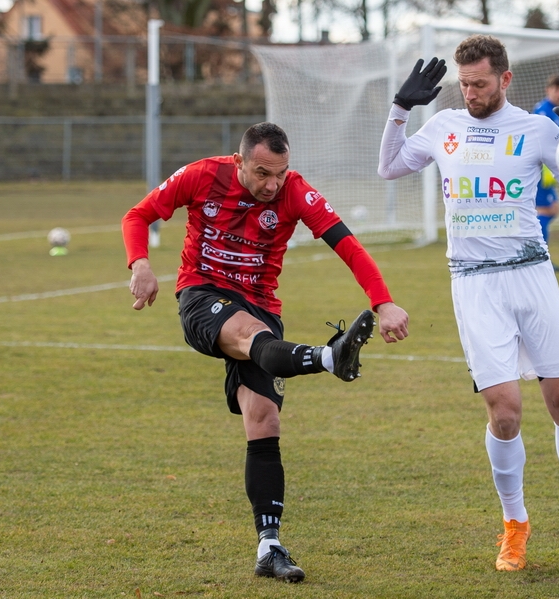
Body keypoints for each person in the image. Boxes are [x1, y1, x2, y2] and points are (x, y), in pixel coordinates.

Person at [377, 36, 559, 572]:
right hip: (474, 285)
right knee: (507, 412)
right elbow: (390, 168)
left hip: (533, 277)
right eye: (464, 84)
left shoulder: (538, 129)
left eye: (481, 84)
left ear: (505, 80)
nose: (470, 93)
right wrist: (401, 109)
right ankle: (515, 526)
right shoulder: (444, 126)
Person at [122, 122, 409, 584]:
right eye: (262, 173)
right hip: (202, 295)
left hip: (262, 306)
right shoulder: (202, 175)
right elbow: (137, 215)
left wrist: (383, 300)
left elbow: (349, 247)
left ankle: (269, 546)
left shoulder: (295, 191)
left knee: (264, 421)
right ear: (239, 162)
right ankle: (330, 358)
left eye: (280, 173)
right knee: (252, 335)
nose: (272, 184)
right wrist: (140, 263)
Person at [532, 75, 559, 270]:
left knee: (552, 210)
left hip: (548, 171)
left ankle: (540, 257)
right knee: (545, 210)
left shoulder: (553, 112)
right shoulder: (544, 112)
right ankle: (540, 259)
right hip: (542, 171)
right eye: (558, 90)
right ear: (549, 90)